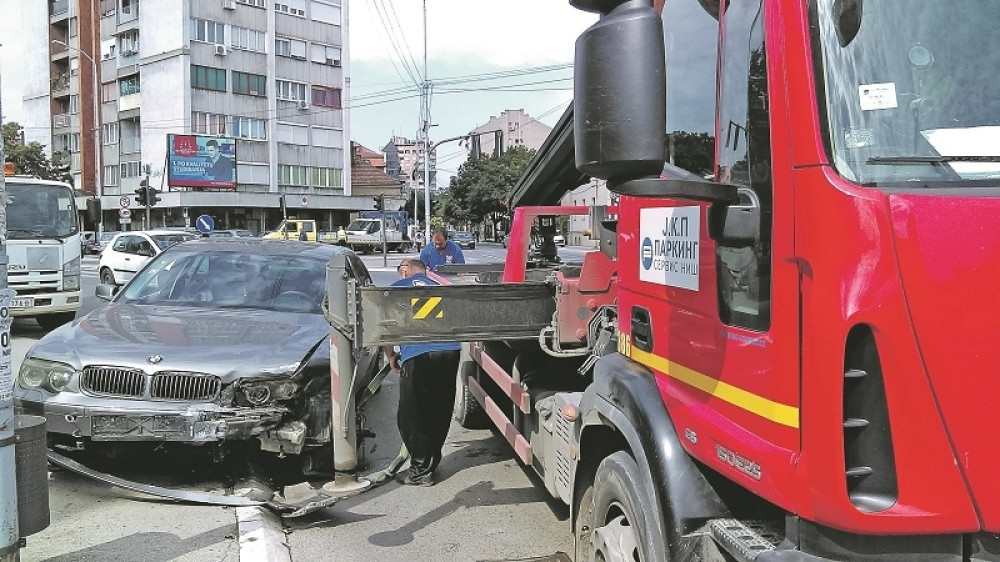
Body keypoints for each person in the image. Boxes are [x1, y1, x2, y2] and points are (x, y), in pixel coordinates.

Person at [383, 258, 461, 486]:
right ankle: (430, 464)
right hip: (450, 352)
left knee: (411, 414)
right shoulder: (441, 287)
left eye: (400, 271)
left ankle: (420, 470)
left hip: (419, 355)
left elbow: (385, 326)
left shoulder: (398, 287)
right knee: (439, 408)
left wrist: (390, 357)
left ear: (405, 270)